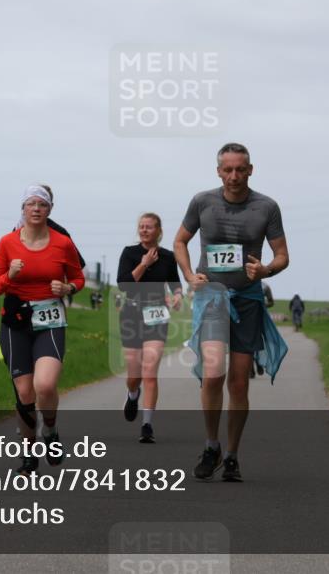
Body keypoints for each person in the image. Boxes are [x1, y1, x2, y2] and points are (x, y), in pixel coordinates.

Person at [174, 143, 290, 482]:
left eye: (241, 169)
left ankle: (233, 455)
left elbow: (282, 254)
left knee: (239, 383)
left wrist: (266, 270)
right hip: (210, 296)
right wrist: (188, 274)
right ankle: (212, 445)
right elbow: (180, 241)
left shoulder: (267, 207)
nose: (234, 176)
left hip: (247, 299)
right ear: (218, 171)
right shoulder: (202, 202)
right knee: (213, 372)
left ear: (251, 170)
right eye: (228, 170)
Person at [0, 185, 85, 475]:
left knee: (45, 385)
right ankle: (29, 455)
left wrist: (68, 287)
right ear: (23, 209)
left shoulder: (62, 243)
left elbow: (78, 278)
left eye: (42, 204)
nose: (36, 209)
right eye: (31, 204)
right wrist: (9, 276)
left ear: (50, 210)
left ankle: (51, 430)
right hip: (15, 321)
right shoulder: (7, 243)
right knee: (25, 392)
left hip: (50, 322)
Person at [117, 213, 183, 443]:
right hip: (131, 314)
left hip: (156, 315)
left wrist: (177, 296)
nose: (144, 230)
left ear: (158, 231)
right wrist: (143, 264)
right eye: (141, 227)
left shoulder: (167, 257)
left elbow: (176, 285)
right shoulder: (129, 253)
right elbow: (124, 285)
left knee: (150, 372)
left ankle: (147, 425)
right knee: (134, 375)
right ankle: (132, 394)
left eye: (149, 227)